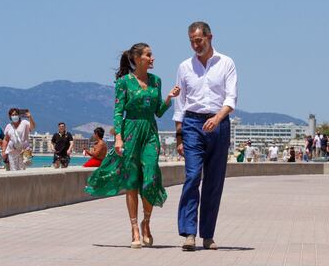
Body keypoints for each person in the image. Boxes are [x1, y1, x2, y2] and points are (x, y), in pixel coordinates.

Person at [85, 42, 180, 248]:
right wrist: (118, 137)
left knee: (151, 175)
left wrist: (168, 99)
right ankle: (135, 228)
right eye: (148, 55)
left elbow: (158, 112)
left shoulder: (156, 81)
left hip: (150, 132)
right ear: (138, 59)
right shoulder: (124, 83)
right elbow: (118, 112)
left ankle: (146, 222)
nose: (152, 58)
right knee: (131, 181)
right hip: (130, 132)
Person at [173, 21, 237, 251]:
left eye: (198, 40)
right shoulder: (184, 67)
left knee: (213, 182)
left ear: (210, 37)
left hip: (219, 124)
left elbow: (231, 98)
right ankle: (189, 232)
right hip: (192, 123)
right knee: (192, 176)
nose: (195, 45)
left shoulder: (226, 63)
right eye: (191, 41)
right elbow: (179, 105)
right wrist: (179, 137)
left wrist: (217, 118)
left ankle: (207, 235)